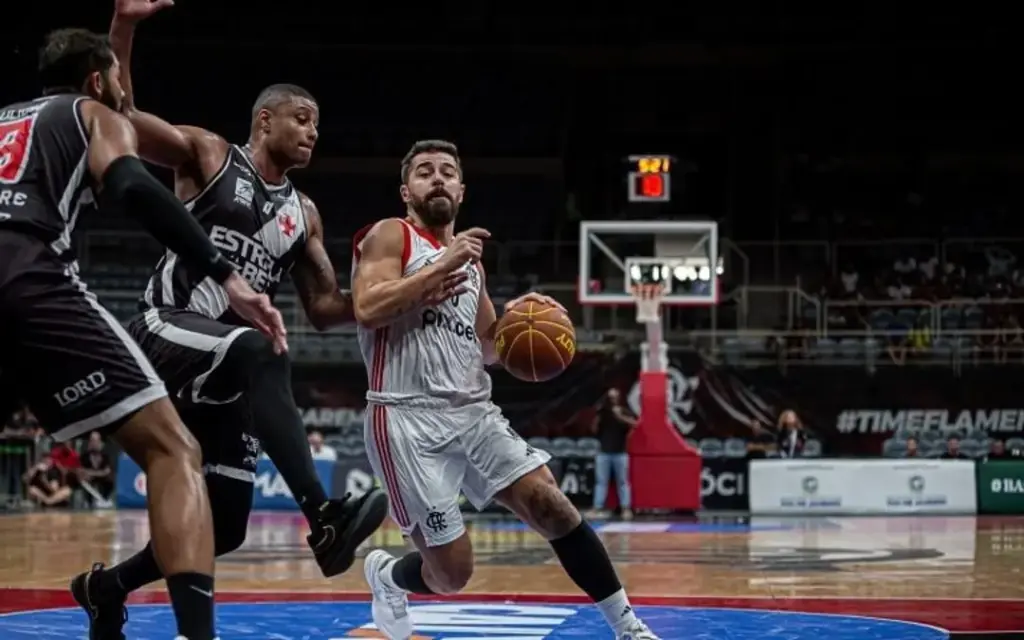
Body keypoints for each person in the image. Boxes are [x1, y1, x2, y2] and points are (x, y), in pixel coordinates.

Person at [70, 3, 400, 633]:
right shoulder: (210, 154)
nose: (312, 133)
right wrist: (124, 29)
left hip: (225, 363)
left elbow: (327, 310)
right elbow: (119, 119)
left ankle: (104, 587)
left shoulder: (303, 214)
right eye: (302, 120)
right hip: (165, 326)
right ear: (264, 119)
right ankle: (323, 515)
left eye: (318, 126)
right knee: (260, 347)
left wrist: (407, 291)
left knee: (224, 524)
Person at [1, 26, 288, 640]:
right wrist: (224, 272)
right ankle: (196, 635)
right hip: (27, 273)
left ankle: (107, 594)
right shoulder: (90, 110)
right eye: (119, 82)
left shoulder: (4, 121)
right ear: (100, 81)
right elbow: (133, 185)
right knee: (172, 449)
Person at [353, 139, 661, 640]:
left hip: (473, 410)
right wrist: (440, 266)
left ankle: (628, 626)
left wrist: (524, 322)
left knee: (551, 504)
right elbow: (367, 307)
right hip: (406, 418)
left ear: (461, 189)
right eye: (425, 171)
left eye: (448, 172)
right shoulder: (392, 236)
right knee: (452, 575)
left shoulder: (471, 266)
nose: (438, 178)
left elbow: (487, 345)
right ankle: (388, 575)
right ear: (405, 190)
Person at [588, 388, 636, 521]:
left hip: (620, 453)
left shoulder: (624, 411)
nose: (613, 399)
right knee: (601, 482)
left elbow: (635, 424)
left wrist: (619, 416)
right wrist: (598, 415)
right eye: (610, 397)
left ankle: (626, 509)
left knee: (623, 482)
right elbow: (593, 429)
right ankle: (597, 508)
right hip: (604, 453)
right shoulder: (603, 413)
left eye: (615, 397)